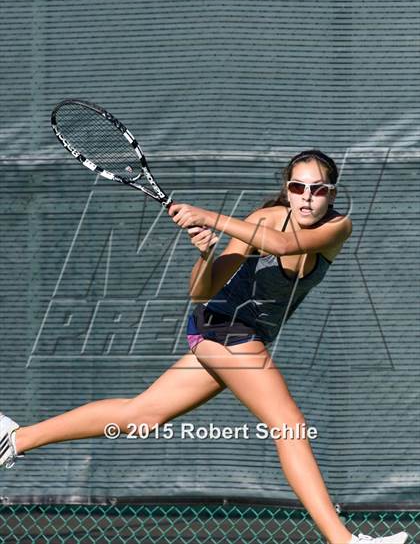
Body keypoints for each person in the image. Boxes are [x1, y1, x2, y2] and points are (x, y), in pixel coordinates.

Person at [0, 150, 408, 544]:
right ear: (287, 189)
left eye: (317, 189)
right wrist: (205, 252)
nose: (306, 197)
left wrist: (207, 215)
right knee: (290, 426)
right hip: (223, 327)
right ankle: (342, 540)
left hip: (241, 336)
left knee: (141, 415)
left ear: (331, 194)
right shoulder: (263, 218)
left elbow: (284, 247)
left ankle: (14, 439)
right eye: (297, 187)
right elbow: (202, 290)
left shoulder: (338, 226)